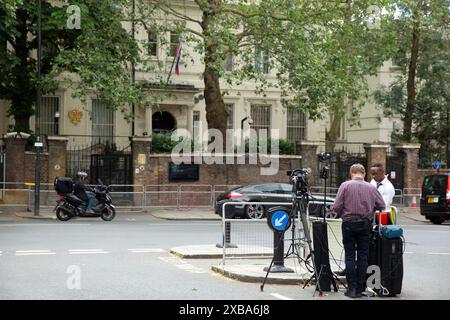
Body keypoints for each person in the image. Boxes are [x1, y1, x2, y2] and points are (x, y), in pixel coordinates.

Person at [332, 164, 385, 298]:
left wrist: (343, 210)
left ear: (351, 173)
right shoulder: (371, 188)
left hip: (349, 224)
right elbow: (382, 206)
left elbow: (336, 207)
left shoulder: (345, 185)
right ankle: (360, 288)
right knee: (363, 256)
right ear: (364, 173)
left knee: (350, 256)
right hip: (365, 224)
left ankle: (352, 289)